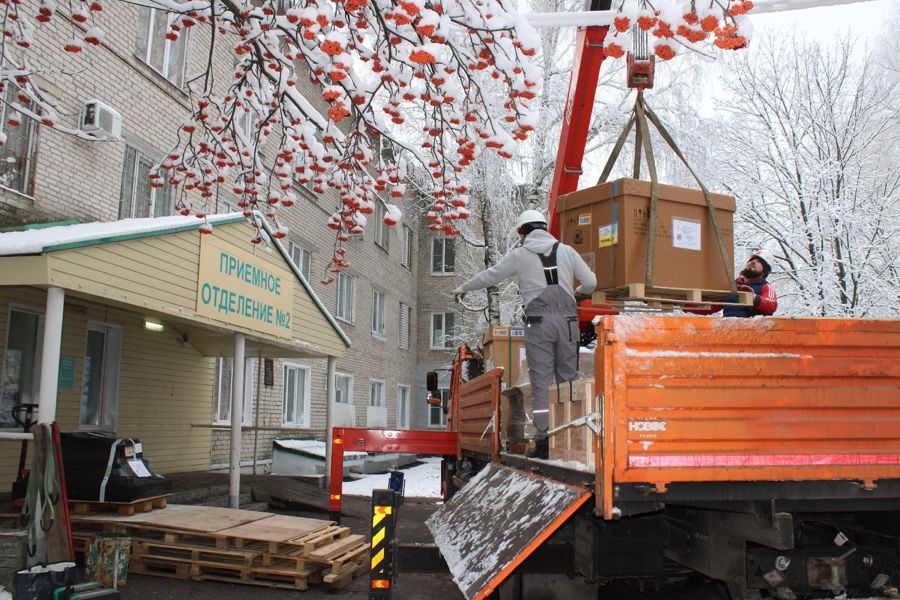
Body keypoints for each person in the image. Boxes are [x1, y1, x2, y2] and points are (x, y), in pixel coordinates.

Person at [452, 209, 597, 459]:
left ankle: (543, 442)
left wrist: (464, 287)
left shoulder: (519, 255)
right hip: (568, 322)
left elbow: (491, 276)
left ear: (522, 232)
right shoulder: (567, 252)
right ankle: (573, 437)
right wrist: (580, 292)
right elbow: (591, 282)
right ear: (543, 227)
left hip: (539, 323)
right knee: (568, 380)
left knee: (542, 381)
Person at [687, 254, 778, 317]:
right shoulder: (732, 286)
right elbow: (712, 306)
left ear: (764, 272)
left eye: (759, 261)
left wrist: (754, 298)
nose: (752, 262)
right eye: (751, 260)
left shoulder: (766, 287)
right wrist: (687, 305)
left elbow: (771, 305)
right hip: (729, 331)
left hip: (754, 333)